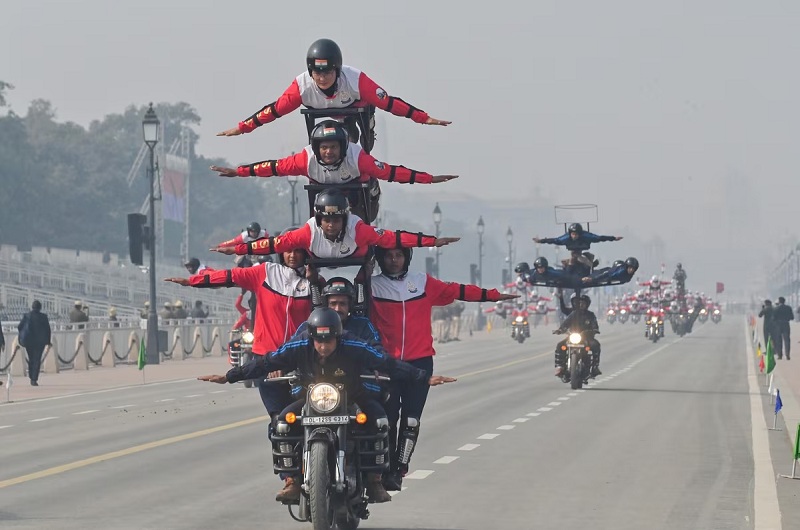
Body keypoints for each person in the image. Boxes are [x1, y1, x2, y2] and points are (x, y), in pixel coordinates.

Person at [198, 308, 456, 503]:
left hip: (354, 396)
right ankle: (291, 481)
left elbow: (386, 362)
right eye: (318, 341)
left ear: (338, 337)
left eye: (329, 340)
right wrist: (229, 376)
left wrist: (423, 377)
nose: (323, 346)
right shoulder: (299, 345)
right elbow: (266, 362)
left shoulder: (353, 345)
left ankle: (375, 479)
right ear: (311, 337)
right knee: (282, 424)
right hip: (311, 397)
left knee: (379, 421)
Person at [369, 246, 519, 490]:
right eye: (388, 255)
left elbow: (457, 290)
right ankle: (382, 470)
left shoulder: (422, 282)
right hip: (387, 363)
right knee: (387, 420)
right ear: (380, 259)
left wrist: (493, 295)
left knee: (411, 421)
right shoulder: (371, 286)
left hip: (420, 361)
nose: (394, 260)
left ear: (407, 258)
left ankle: (399, 469)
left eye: (399, 255)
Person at [165, 231, 319, 418]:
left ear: (306, 254)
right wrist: (193, 281)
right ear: (281, 252)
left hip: (300, 359)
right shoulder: (265, 272)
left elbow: (324, 316)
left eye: (297, 251)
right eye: (287, 250)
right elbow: (230, 276)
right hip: (266, 359)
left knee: (312, 416)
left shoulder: (315, 283)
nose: (292, 255)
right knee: (280, 421)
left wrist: (314, 282)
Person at [216, 38, 450, 140]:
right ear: (310, 71)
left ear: (337, 70)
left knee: (363, 138)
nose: (322, 78)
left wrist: (423, 118)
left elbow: (389, 102)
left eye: (328, 72)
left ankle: (362, 135)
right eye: (317, 73)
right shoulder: (301, 87)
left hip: (356, 107)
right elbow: (273, 110)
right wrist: (242, 128)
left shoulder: (356, 80)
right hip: (324, 115)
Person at [210, 189, 459, 259]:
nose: (331, 225)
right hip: (318, 272)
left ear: (345, 218)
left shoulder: (359, 230)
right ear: (319, 219)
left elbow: (393, 238)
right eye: (327, 220)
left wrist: (431, 241)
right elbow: (273, 244)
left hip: (356, 264)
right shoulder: (307, 233)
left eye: (336, 219)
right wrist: (237, 249)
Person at [211, 120, 458, 186]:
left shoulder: (358, 158)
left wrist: (429, 179)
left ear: (343, 147)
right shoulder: (304, 159)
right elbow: (272, 167)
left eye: (333, 147)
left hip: (357, 191)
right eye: (324, 148)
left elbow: (391, 173)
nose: (328, 152)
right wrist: (238, 172)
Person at [552, 294, 601, 379]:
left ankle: (595, 367)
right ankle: (560, 366)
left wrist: (594, 330)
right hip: (573, 336)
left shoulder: (590, 315)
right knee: (560, 345)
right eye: (580, 303)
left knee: (596, 345)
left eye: (583, 303)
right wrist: (560, 329)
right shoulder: (574, 314)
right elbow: (566, 323)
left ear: (587, 304)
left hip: (587, 338)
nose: (581, 305)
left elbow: (594, 325)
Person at [18, 300, 52, 386]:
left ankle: (31, 375)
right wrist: (48, 341)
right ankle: (34, 379)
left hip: (29, 341)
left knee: (31, 359)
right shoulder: (43, 317)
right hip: (40, 342)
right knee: (37, 359)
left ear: (32, 307)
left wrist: (22, 336)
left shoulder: (27, 316)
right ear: (40, 307)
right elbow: (48, 330)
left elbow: (19, 326)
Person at [533, 223, 623, 252]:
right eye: (573, 234)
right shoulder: (565, 239)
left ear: (580, 234)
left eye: (576, 234)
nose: (574, 236)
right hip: (573, 252)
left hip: (584, 250)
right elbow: (553, 240)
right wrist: (541, 241)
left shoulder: (587, 236)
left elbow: (600, 238)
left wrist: (613, 238)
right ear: (570, 234)